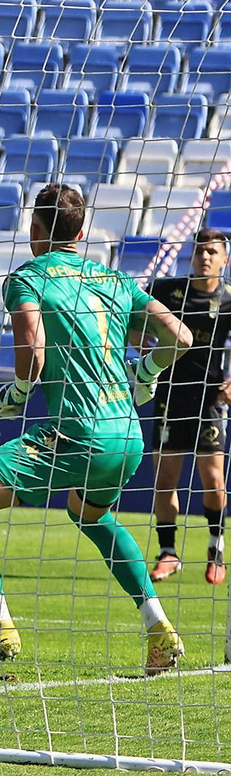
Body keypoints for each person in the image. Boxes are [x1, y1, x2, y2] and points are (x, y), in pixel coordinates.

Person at [0, 183, 190, 677]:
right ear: (82, 231)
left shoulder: (28, 278)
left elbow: (32, 354)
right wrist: (145, 373)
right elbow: (179, 336)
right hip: (128, 435)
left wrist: (16, 394)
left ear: (34, 229)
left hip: (78, 432)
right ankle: (158, 626)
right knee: (90, 515)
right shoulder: (114, 279)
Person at [146, 229, 231, 586]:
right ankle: (168, 553)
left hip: (209, 400)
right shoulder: (166, 291)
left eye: (212, 252)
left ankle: (216, 549)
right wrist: (142, 342)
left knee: (213, 480)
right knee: (165, 479)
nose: (205, 257)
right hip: (169, 397)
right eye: (199, 251)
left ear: (225, 260)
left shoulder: (229, 299)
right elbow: (132, 315)